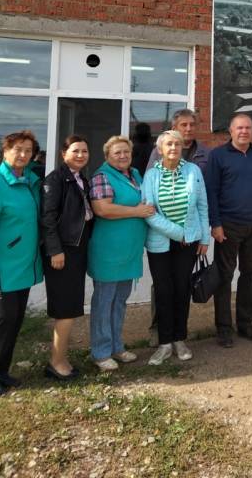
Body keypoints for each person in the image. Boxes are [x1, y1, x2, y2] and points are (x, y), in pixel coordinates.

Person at [205, 113, 252, 347]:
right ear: (231, 131)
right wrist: (215, 224)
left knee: (249, 274)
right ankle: (224, 328)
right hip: (227, 226)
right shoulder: (218, 156)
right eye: (239, 128)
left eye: (247, 127)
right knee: (224, 277)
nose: (243, 131)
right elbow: (211, 192)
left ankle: (246, 323)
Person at [141, 130, 210, 365]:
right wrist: (180, 233)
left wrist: (204, 238)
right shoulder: (150, 176)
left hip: (189, 243)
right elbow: (149, 213)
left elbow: (202, 205)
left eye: (178, 144)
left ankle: (180, 339)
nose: (173, 148)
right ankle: (164, 343)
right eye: (169, 144)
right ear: (160, 149)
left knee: (181, 289)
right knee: (163, 290)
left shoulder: (193, 171)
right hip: (161, 242)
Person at [0, 130, 43, 399]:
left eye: (28, 151)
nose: (23, 155)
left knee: (15, 320)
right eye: (18, 149)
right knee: (1, 320)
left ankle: (1, 371)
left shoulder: (30, 181)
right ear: (5, 150)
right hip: (0, 268)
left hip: (21, 266)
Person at [88, 136, 155, 371]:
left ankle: (117, 346)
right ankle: (100, 352)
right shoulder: (102, 176)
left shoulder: (135, 174)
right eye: (117, 153)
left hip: (129, 251)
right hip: (108, 250)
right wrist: (137, 212)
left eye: (126, 152)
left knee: (119, 302)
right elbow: (102, 209)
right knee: (104, 303)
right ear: (107, 156)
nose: (123, 156)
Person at [41, 135, 94, 381]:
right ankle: (57, 363)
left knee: (71, 308)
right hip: (63, 252)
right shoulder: (56, 179)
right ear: (64, 154)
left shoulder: (81, 178)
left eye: (84, 151)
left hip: (77, 250)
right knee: (65, 309)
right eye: (75, 151)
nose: (81, 155)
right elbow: (48, 218)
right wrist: (55, 250)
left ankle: (61, 358)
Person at [146, 109, 210, 175]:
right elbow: (149, 178)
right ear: (174, 129)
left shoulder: (206, 153)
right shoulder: (160, 151)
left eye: (192, 125)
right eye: (184, 125)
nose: (189, 129)